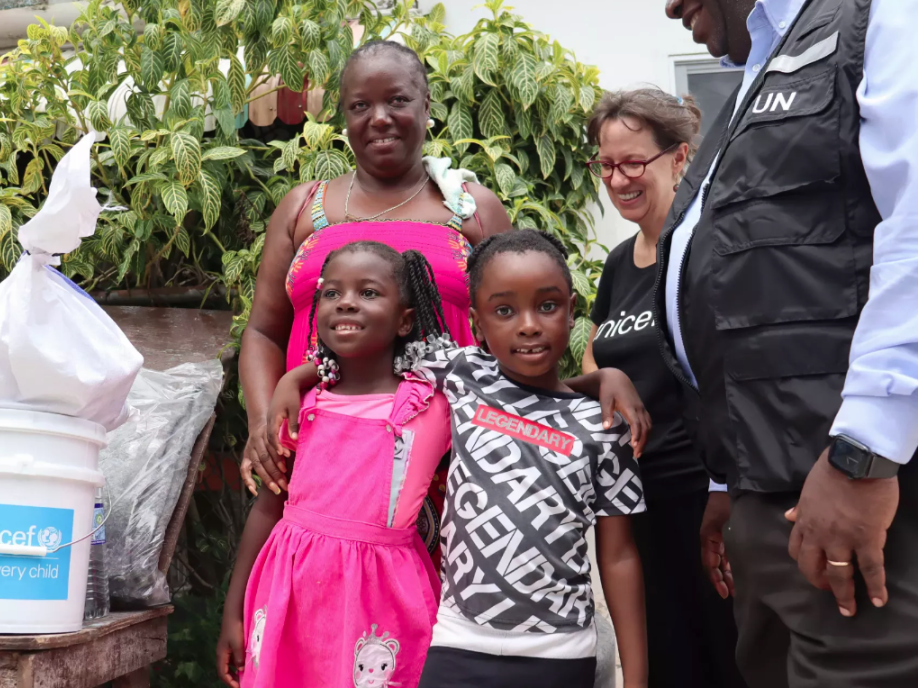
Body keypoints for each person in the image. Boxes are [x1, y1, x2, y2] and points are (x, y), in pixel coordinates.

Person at [657, 0, 918, 686]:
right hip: (774, 495)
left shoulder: (876, 15)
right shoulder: (765, 62)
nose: (668, 6)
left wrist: (863, 451)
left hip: (857, 497)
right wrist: (726, 482)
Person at [270, 231, 651, 688]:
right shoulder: (463, 373)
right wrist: (296, 377)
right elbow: (373, 346)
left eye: (547, 306)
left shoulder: (604, 426)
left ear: (572, 311)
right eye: (504, 311)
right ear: (476, 321)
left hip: (562, 651)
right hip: (457, 643)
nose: (528, 325)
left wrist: (638, 678)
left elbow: (620, 556)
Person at [237, 39, 512, 565]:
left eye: (398, 101)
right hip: (318, 460)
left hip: (448, 469)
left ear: (427, 107)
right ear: (344, 116)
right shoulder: (304, 209)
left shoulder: (472, 211)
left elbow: (512, 331)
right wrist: (263, 423)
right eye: (361, 106)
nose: (380, 118)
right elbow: (263, 332)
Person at [216, 243, 456, 688]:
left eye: (368, 292)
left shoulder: (431, 406)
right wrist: (234, 610)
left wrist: (600, 378)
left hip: (383, 601)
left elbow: (509, 387)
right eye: (331, 293)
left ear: (405, 319)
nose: (346, 301)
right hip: (291, 594)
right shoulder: (300, 408)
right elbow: (268, 507)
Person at [584, 89, 744, 688]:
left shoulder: (705, 247)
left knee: (727, 653)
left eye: (633, 163)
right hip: (635, 504)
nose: (619, 179)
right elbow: (594, 361)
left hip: (705, 498)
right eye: (606, 165)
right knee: (668, 659)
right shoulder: (620, 263)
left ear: (679, 158)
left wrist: (721, 491)